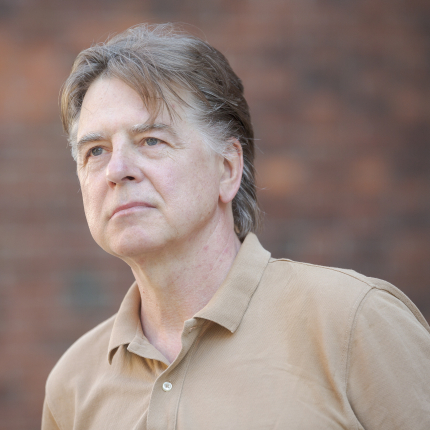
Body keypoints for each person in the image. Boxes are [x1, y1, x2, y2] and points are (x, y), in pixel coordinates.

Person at [42, 23, 430, 430]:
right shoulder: (73, 385)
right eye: (96, 151)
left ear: (228, 168)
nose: (117, 169)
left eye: (151, 140)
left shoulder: (353, 323)